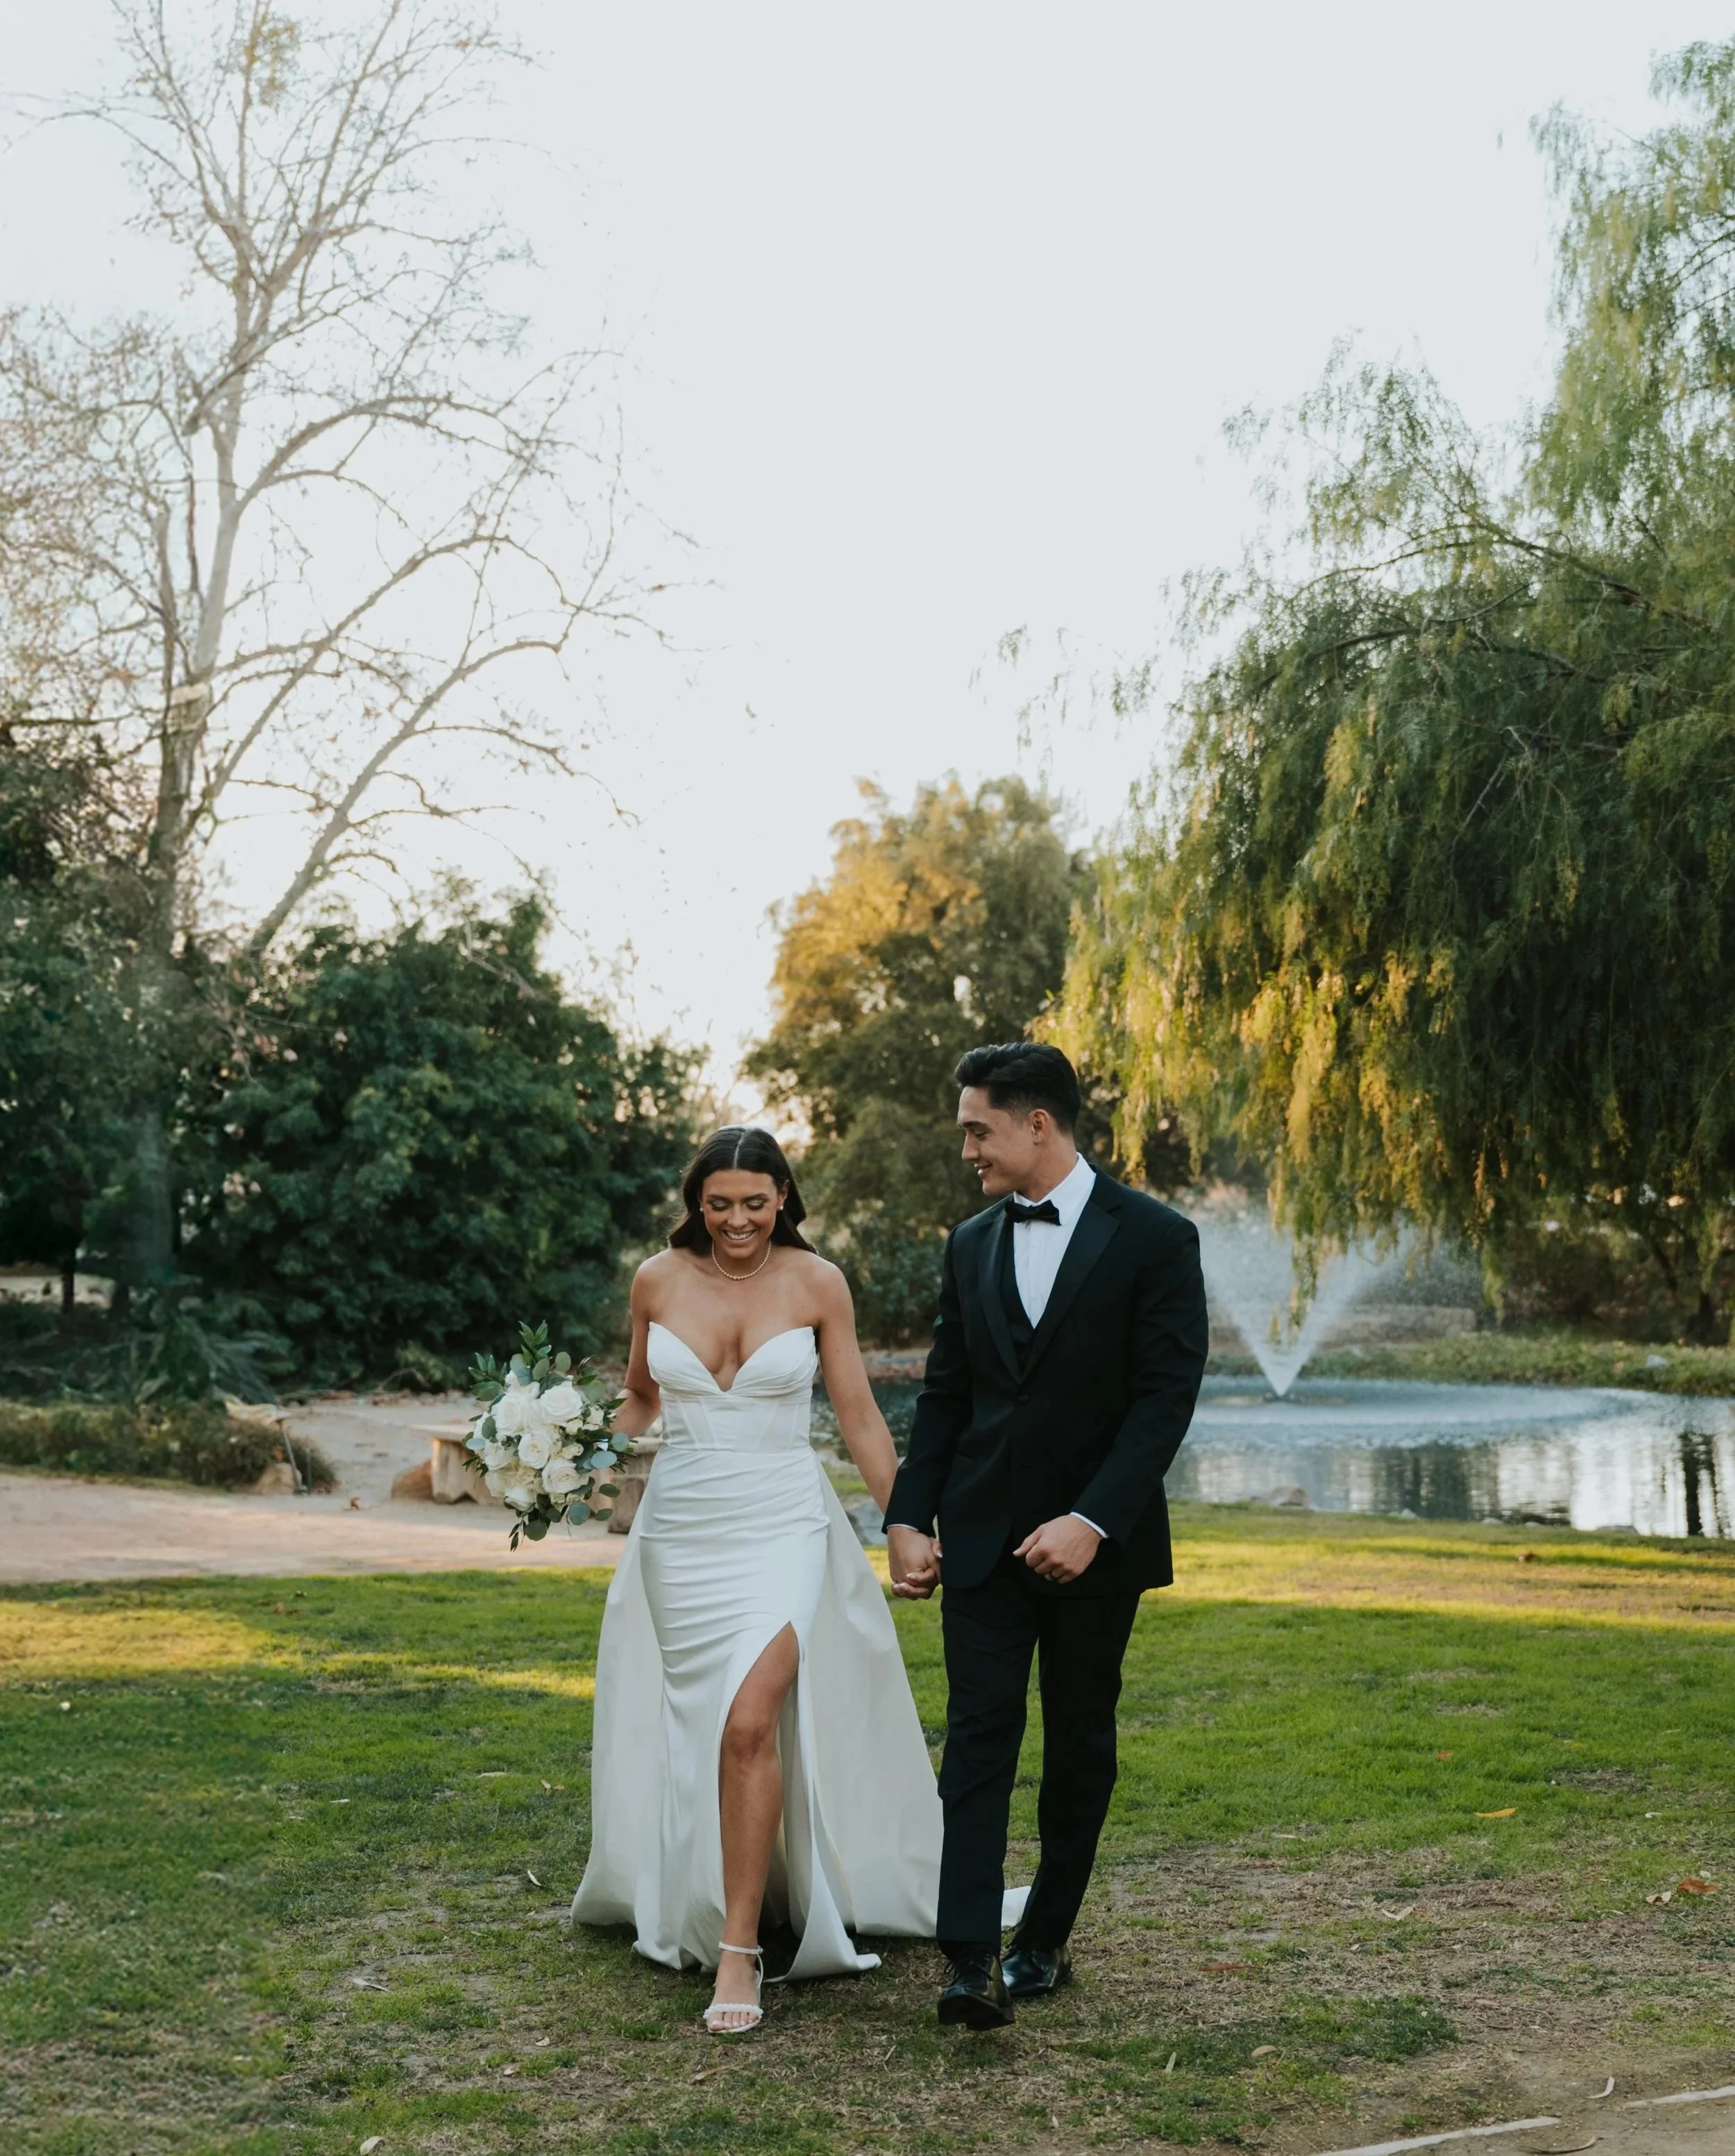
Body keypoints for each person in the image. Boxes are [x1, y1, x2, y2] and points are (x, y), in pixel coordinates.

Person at [572, 1126, 943, 2034]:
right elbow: (641, 1397)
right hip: (683, 1530)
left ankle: (739, 1949)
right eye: (719, 1203)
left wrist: (904, 1524)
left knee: (750, 1721)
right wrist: (566, 1448)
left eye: (755, 1200)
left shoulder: (819, 1283)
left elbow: (857, 1413)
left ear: (784, 1194)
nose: (737, 1219)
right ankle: (737, 1893)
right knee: (711, 1724)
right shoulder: (656, 1279)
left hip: (784, 1519)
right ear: (695, 1203)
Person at [883, 1041, 1209, 2028]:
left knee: (1078, 1744)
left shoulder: (1156, 1236)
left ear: (1039, 1123)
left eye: (978, 1129)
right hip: (979, 1540)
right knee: (977, 1743)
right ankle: (968, 1957)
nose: (968, 1150)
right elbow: (945, 1396)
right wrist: (905, 1514)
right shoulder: (970, 1241)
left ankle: (1046, 1936)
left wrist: (1092, 1518)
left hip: (1095, 1549)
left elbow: (1164, 1398)